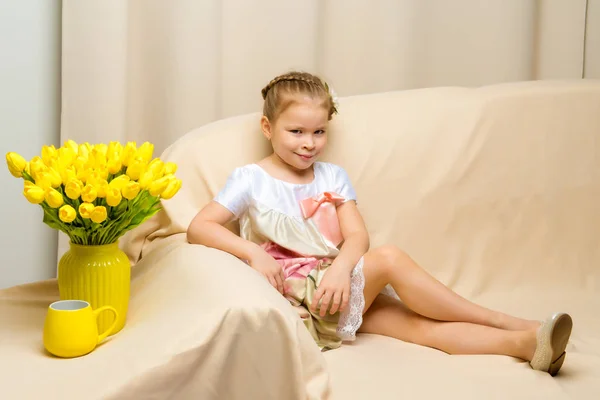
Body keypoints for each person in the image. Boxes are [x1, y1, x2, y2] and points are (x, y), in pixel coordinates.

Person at [186, 71, 572, 375]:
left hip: (337, 283)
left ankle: (529, 345)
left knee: (422, 330)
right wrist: (252, 252)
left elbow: (357, 236)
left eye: (319, 132)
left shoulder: (332, 176)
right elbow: (200, 227)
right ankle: (502, 320)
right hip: (302, 295)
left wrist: (340, 268)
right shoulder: (250, 178)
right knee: (388, 260)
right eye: (296, 132)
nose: (309, 143)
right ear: (268, 128)